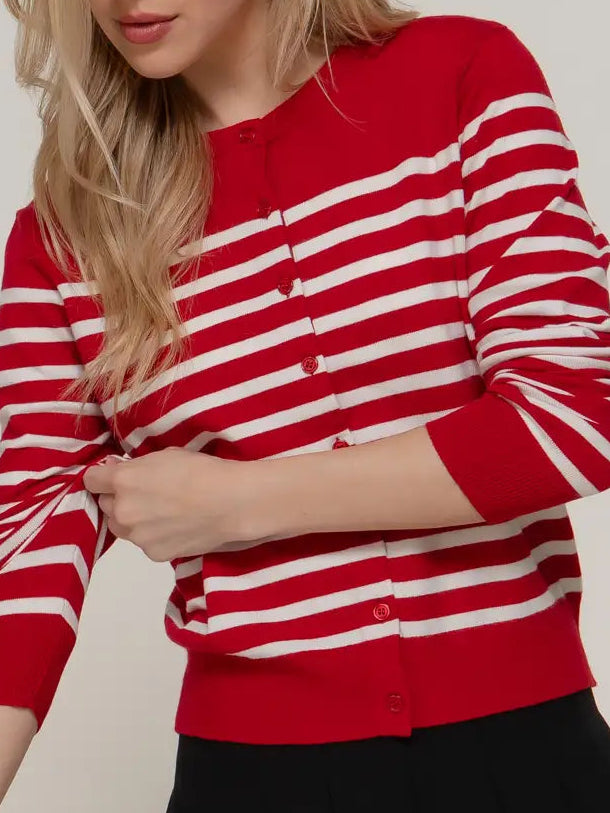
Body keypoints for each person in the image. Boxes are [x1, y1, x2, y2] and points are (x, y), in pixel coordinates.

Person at [1, 0, 610, 810]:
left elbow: (571, 414)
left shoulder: (461, 75)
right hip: (248, 778)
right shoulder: (64, 233)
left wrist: (241, 502)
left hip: (529, 754)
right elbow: (29, 541)